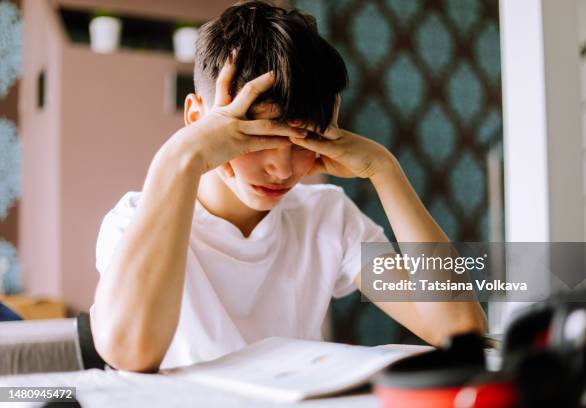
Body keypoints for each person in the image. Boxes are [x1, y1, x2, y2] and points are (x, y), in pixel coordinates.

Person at [91, 1, 486, 372]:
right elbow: (131, 352)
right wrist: (179, 158)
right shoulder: (132, 222)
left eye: (303, 142)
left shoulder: (326, 215)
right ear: (197, 120)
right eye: (257, 138)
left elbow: (459, 329)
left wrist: (385, 170)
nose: (282, 169)